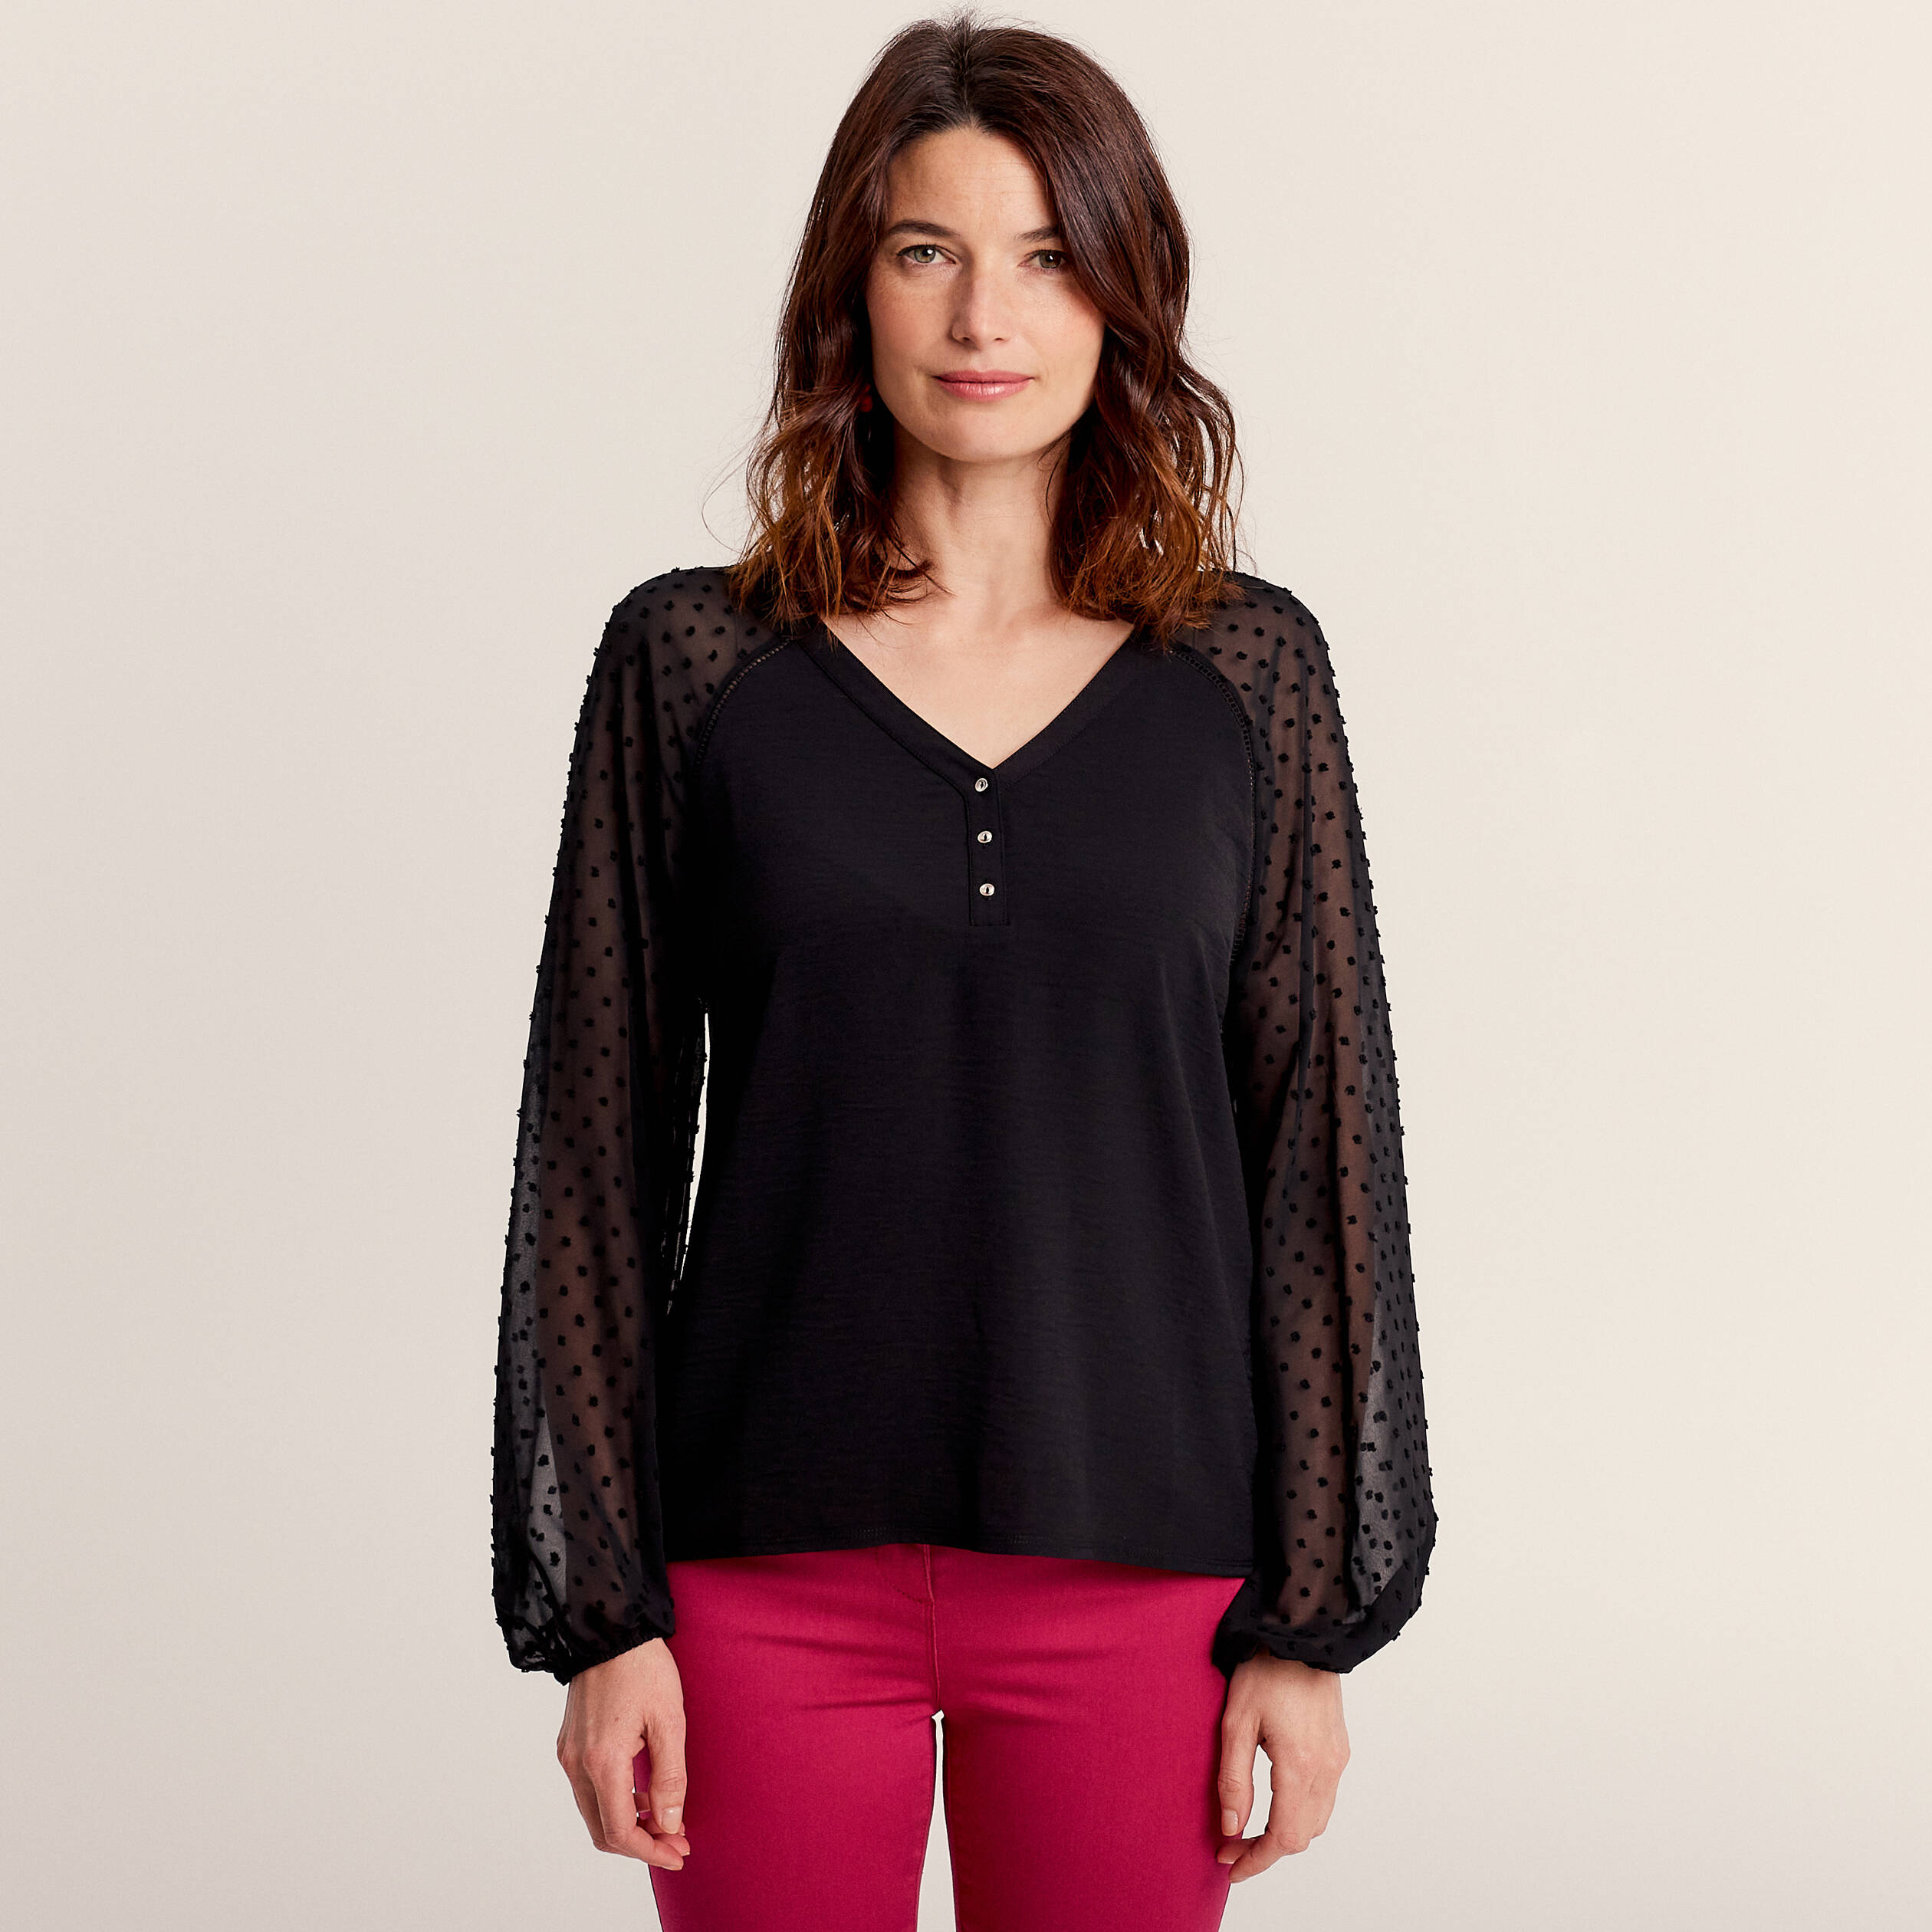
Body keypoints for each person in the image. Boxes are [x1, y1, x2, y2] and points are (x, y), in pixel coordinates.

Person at [490, 12, 1437, 1928]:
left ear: (1122, 297)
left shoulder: (1247, 676)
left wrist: (1309, 1625)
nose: (983, 314)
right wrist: (603, 1615)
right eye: (927, 249)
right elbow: (592, 1154)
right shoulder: (691, 667)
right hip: (756, 1581)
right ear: (854, 288)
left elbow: (1320, 1153)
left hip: (1147, 1576)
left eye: (1047, 255)